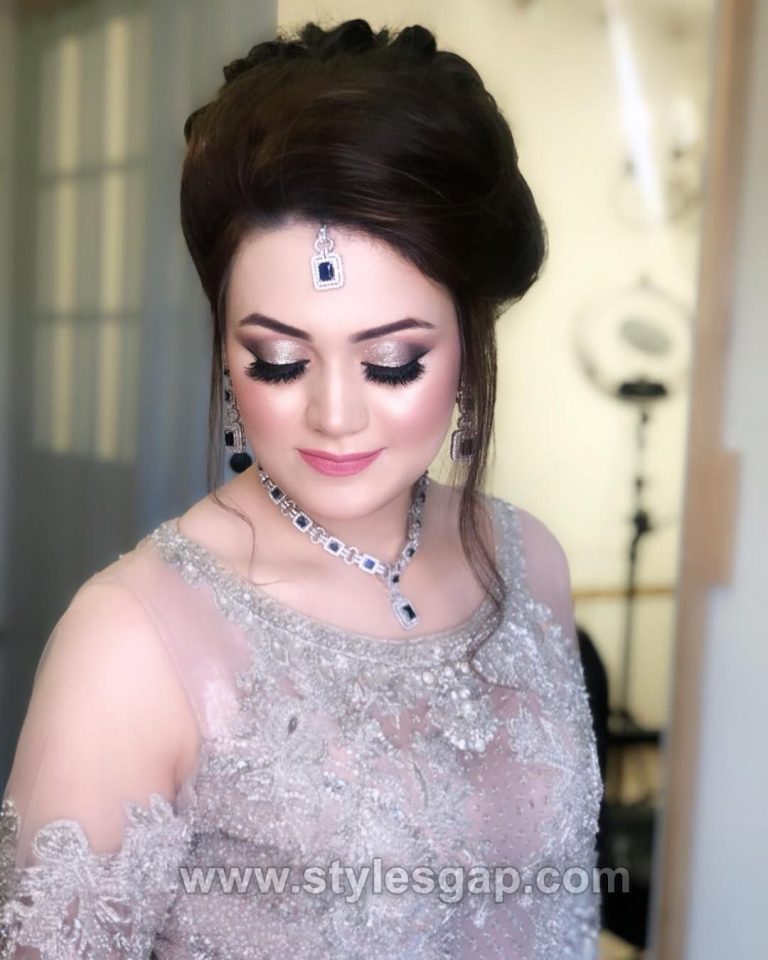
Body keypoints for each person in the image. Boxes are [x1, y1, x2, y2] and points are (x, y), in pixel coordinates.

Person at [0, 18, 603, 960]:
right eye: (278, 361)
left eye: (392, 361)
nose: (334, 415)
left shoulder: (530, 563)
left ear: (470, 342)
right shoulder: (132, 641)